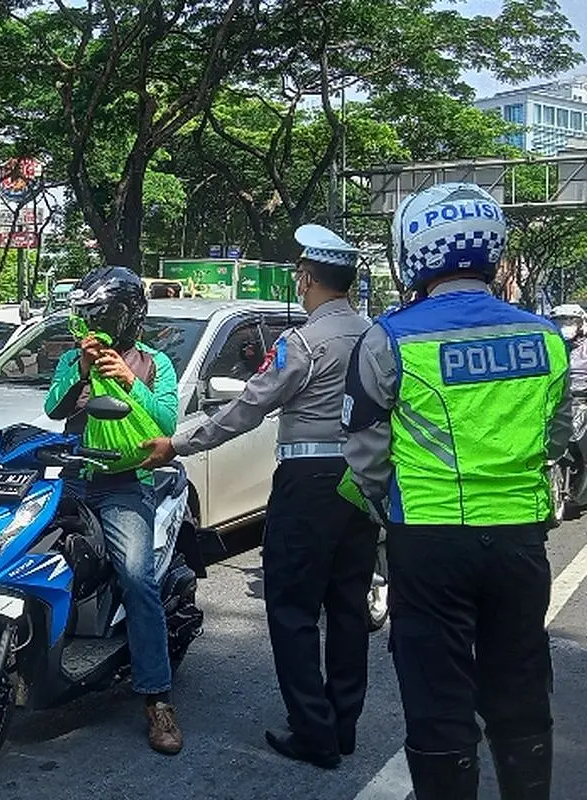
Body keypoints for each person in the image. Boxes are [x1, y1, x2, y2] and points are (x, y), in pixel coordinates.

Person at [342, 182, 571, 800]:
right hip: (521, 543)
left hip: (429, 544)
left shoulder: (389, 339)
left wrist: (382, 508)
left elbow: (364, 453)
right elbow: (556, 441)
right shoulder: (546, 337)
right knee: (520, 687)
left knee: (438, 698)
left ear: (411, 255)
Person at [143, 224, 378, 769]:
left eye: (300, 273)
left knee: (292, 607)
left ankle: (314, 732)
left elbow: (248, 407)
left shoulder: (303, 343)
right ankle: (342, 726)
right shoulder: (373, 335)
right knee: (346, 606)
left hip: (309, 486)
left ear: (309, 278)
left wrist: (176, 443)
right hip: (361, 481)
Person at [43, 266, 183, 754]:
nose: (91, 324)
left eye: (99, 314)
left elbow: (167, 423)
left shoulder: (154, 364)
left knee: (137, 579)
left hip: (126, 485)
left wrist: (130, 381)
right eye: (87, 316)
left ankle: (157, 701)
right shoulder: (71, 359)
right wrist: (81, 371)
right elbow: (53, 412)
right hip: (71, 481)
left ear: (125, 316)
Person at [552, 303, 587, 396]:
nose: (565, 325)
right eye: (560, 321)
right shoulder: (551, 344)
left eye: (572, 321)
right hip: (558, 397)